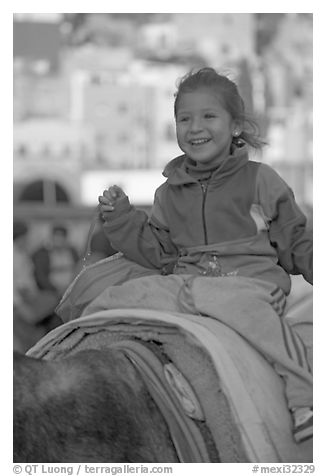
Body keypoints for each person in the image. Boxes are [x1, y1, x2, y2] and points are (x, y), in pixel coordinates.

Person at [98, 68, 313, 444]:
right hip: (188, 284)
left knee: (260, 322)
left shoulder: (261, 181)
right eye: (185, 118)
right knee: (113, 301)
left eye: (209, 116)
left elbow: (295, 241)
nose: (195, 127)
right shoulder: (168, 192)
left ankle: (305, 398)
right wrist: (121, 220)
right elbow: (160, 252)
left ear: (235, 126)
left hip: (249, 286)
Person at [13, 220, 59, 352]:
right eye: (25, 237)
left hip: (29, 295)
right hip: (17, 302)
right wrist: (19, 304)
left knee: (54, 301)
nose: (27, 240)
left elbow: (28, 279)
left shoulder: (23, 253)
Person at [32, 223, 79, 297]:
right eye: (56, 235)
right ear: (52, 236)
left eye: (61, 236)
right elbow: (40, 276)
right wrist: (54, 290)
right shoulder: (43, 253)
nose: (59, 239)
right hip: (52, 292)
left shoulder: (72, 251)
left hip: (72, 289)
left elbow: (79, 268)